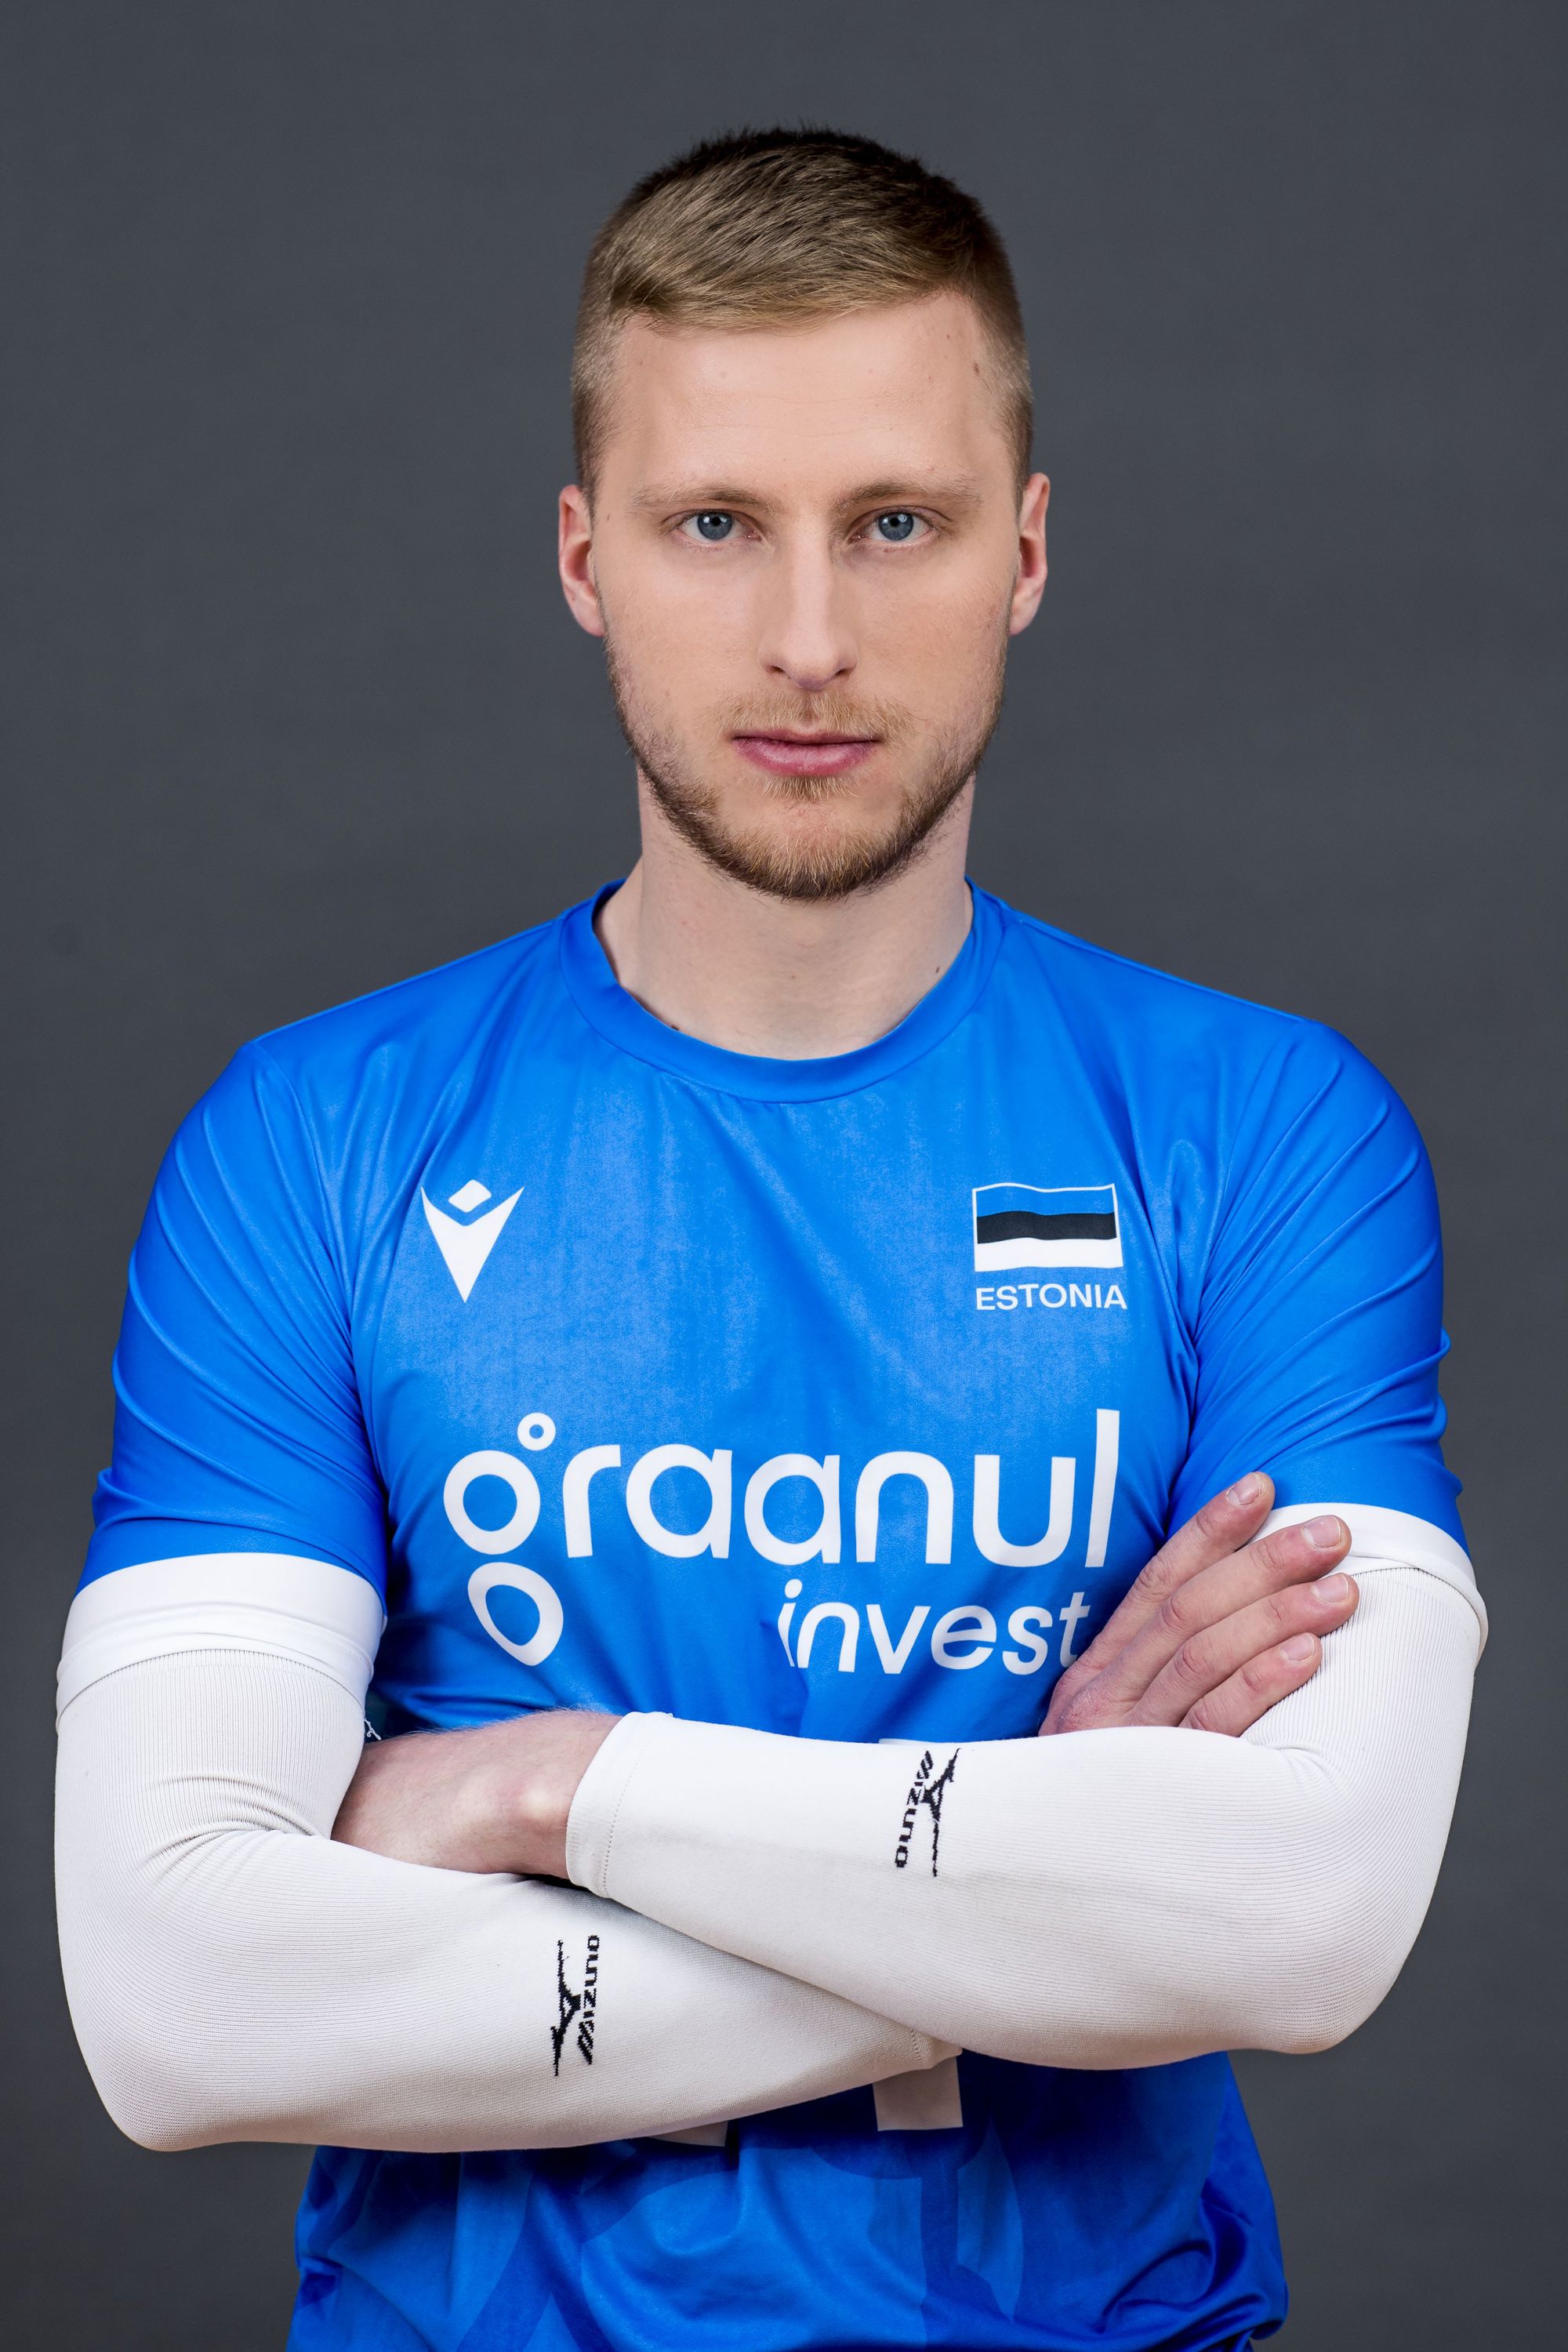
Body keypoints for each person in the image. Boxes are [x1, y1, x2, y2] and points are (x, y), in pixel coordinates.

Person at [55, 129, 1484, 2352]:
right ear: (584, 556)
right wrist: (1030, 1877)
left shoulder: (1265, 1136)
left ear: (1025, 552)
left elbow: (1299, 1922)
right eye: (714, 524)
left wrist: (542, 1789)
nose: (809, 640)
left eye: (895, 524)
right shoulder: (312, 1146)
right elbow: (182, 2011)